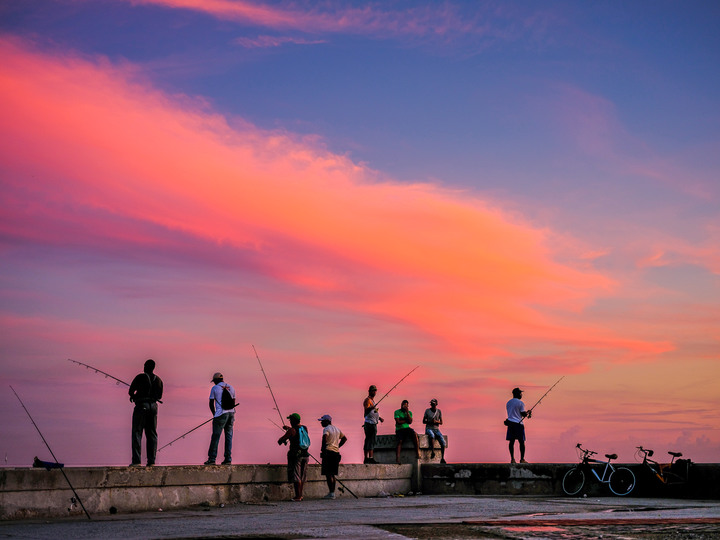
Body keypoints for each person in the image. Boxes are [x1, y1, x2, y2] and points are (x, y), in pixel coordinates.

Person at [128, 359, 163, 467]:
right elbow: (159, 396)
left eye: (144, 365)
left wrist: (134, 397)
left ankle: (136, 461)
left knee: (137, 433)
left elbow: (131, 391)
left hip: (141, 406)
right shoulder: (158, 380)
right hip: (153, 407)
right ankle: (151, 461)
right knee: (152, 434)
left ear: (146, 366)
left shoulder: (140, 377)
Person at [205, 372, 236, 465]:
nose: (214, 383)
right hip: (231, 414)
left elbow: (211, 403)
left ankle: (212, 458)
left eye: (214, 381)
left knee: (216, 436)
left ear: (216, 380)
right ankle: (228, 459)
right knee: (229, 436)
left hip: (221, 414)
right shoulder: (231, 387)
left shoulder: (214, 388)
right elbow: (233, 402)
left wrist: (214, 414)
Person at [277, 412, 310, 501]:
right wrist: (288, 428)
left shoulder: (291, 430)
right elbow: (297, 433)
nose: (290, 421)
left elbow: (281, 440)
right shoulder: (304, 428)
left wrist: (282, 440)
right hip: (305, 454)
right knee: (302, 476)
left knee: (296, 476)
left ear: (293, 421)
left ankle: (297, 496)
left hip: (296, 455)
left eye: (290, 420)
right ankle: (300, 495)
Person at [318, 414, 347, 499]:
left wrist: (323, 451)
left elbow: (324, 438)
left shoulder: (326, 429)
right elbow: (344, 438)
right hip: (336, 453)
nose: (321, 423)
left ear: (327, 421)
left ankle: (331, 493)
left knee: (328, 474)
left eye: (322, 421)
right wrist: (337, 446)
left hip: (328, 453)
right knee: (333, 473)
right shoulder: (337, 429)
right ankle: (332, 493)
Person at [506, 387, 531, 464]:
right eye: (520, 393)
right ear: (517, 394)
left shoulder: (508, 403)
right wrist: (528, 413)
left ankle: (512, 459)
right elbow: (523, 414)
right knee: (521, 442)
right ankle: (522, 459)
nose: (521, 395)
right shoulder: (520, 403)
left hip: (510, 423)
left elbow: (513, 413)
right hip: (518, 424)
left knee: (511, 442)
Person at [363, 385, 384, 464]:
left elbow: (374, 413)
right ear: (369, 391)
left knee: (370, 440)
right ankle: (369, 458)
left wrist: (379, 418)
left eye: (375, 390)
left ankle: (367, 458)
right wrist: (371, 407)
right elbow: (366, 411)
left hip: (373, 423)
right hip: (370, 424)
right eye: (373, 390)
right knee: (370, 440)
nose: (374, 392)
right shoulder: (367, 400)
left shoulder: (373, 402)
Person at [394, 399, 420, 464]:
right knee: (400, 441)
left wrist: (407, 412)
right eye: (403, 405)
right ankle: (397, 459)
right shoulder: (397, 412)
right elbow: (398, 422)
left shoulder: (409, 412)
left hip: (407, 428)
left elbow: (410, 421)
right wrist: (406, 421)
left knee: (415, 435)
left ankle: (417, 453)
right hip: (399, 429)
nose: (404, 406)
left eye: (406, 406)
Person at [423, 398, 446, 463]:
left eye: (434, 404)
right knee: (432, 436)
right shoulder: (427, 411)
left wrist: (435, 421)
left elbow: (441, 422)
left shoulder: (439, 411)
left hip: (436, 429)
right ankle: (432, 452)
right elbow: (423, 421)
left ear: (436, 404)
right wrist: (430, 421)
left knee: (443, 442)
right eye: (432, 404)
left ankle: (442, 458)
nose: (432, 405)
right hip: (429, 428)